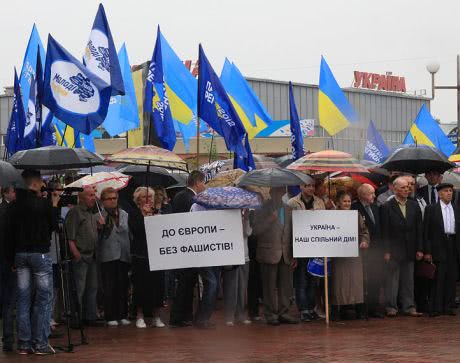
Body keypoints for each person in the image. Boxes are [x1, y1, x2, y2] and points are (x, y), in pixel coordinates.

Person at [6, 170, 59, 355]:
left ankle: (24, 344)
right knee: (43, 300)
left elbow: (8, 234)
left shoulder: (13, 206)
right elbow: (54, 225)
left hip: (20, 255)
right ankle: (40, 344)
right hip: (40, 255)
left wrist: (11, 257)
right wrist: (53, 203)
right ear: (35, 183)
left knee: (23, 300)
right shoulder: (42, 204)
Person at [253, 187, 298, 325]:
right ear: (271, 192)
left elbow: (292, 232)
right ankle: (271, 314)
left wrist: (294, 254)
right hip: (268, 253)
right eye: (276, 192)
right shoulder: (261, 208)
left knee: (285, 285)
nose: (279, 194)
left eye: (281, 192)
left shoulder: (288, 209)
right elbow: (255, 231)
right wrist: (270, 219)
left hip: (285, 253)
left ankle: (284, 312)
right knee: (269, 286)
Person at [381, 176, 424, 317]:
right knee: (392, 281)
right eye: (403, 187)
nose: (407, 189)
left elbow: (419, 229)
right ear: (395, 189)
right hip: (394, 250)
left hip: (410, 248)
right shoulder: (387, 206)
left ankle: (409, 307)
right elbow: (385, 230)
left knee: (408, 280)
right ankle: (391, 307)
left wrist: (419, 248)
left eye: (408, 187)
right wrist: (386, 251)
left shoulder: (414, 205)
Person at [169, 171, 206, 328]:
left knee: (185, 283)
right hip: (189, 247)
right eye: (203, 183)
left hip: (182, 246)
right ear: (197, 182)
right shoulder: (191, 199)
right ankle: (182, 316)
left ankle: (182, 315)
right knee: (186, 283)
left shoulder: (179, 196)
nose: (204, 186)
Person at [287, 181, 325, 322]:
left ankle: (311, 308)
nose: (310, 188)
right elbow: (289, 228)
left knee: (313, 281)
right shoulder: (292, 203)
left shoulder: (319, 202)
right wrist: (292, 252)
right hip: (300, 247)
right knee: (301, 281)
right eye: (307, 185)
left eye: (313, 186)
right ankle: (303, 309)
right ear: (301, 187)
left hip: (315, 247)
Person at [65, 186, 102, 326]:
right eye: (90, 195)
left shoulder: (91, 213)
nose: (94, 197)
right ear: (81, 197)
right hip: (81, 255)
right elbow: (70, 236)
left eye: (94, 194)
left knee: (92, 288)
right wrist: (77, 255)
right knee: (78, 288)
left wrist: (99, 227)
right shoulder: (75, 212)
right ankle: (76, 318)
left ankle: (90, 316)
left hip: (92, 255)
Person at [129, 187, 166, 328]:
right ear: (138, 200)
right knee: (141, 285)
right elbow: (137, 231)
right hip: (141, 255)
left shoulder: (157, 212)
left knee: (158, 285)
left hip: (157, 254)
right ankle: (140, 315)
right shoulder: (134, 213)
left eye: (150, 196)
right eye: (145, 197)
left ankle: (157, 316)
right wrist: (144, 217)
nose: (148, 199)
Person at [331, 191, 370, 320]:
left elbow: (364, 231)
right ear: (338, 202)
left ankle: (358, 309)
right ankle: (338, 309)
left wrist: (364, 241)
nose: (347, 203)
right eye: (344, 201)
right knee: (339, 283)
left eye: (349, 201)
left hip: (354, 254)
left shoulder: (356, 215)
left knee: (356, 282)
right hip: (338, 255)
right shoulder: (331, 215)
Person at [423, 183, 459, 317]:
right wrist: (427, 251)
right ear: (439, 194)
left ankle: (448, 305)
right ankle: (435, 307)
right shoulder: (431, 209)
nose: (449, 193)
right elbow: (426, 231)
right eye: (446, 191)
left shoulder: (456, 208)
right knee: (438, 277)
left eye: (451, 191)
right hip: (438, 245)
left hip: (452, 244)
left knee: (451, 277)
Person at [98, 188, 131, 327]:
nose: (112, 201)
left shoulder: (124, 214)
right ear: (103, 201)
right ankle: (110, 315)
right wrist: (99, 228)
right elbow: (97, 239)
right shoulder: (99, 216)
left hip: (123, 254)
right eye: (109, 199)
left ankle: (122, 314)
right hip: (108, 255)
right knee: (109, 286)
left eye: (114, 198)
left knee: (123, 285)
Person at [352, 184, 384, 318]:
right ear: (363, 195)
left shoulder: (376, 207)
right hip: (362, 250)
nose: (374, 196)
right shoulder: (354, 208)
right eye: (371, 193)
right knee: (362, 280)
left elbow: (380, 228)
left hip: (376, 250)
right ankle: (361, 308)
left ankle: (374, 307)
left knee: (375, 279)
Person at [222, 209, 252, 326]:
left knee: (242, 287)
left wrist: (246, 219)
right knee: (231, 287)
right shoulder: (225, 219)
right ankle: (229, 316)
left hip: (244, 256)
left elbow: (248, 232)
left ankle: (241, 315)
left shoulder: (245, 218)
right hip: (231, 257)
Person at [0, 186, 16, 351]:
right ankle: (9, 337)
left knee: (8, 299)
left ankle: (9, 336)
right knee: (9, 299)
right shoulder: (7, 211)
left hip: (5, 258)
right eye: (12, 191)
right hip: (6, 259)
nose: (14, 194)